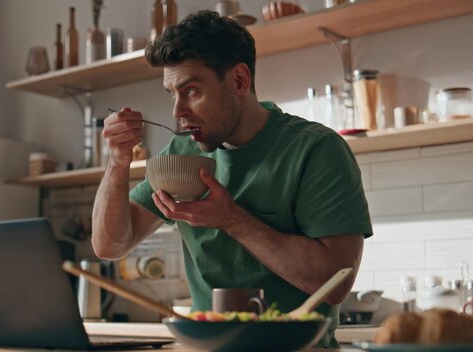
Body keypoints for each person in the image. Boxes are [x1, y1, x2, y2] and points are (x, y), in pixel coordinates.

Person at [92, 10, 372, 348]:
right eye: (172, 93)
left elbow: (336, 282)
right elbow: (110, 245)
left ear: (239, 80)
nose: (177, 111)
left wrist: (232, 220)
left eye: (191, 90)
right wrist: (117, 164)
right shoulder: (179, 155)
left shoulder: (316, 149)